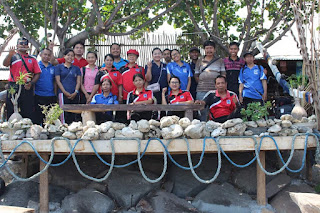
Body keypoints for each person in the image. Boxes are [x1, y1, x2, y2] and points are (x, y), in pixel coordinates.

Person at [3, 37, 41, 122]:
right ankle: (11, 129)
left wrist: (31, 83)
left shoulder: (32, 59)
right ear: (17, 45)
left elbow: (37, 73)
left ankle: (27, 130)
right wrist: (9, 55)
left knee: (28, 110)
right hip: (14, 85)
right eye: (21, 43)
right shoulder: (13, 56)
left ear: (27, 46)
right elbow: (5, 64)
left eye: (25, 43)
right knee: (11, 108)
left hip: (27, 86)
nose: (23, 45)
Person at [195, 40, 226, 121]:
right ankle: (202, 129)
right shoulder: (199, 61)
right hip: (202, 89)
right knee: (202, 110)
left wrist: (219, 86)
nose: (209, 50)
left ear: (214, 49)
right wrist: (203, 82)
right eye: (207, 48)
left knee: (216, 109)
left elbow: (223, 74)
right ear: (204, 50)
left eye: (211, 48)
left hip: (216, 90)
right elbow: (196, 75)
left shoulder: (220, 61)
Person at [55, 49, 81, 124]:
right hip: (62, 94)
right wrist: (64, 92)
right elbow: (58, 81)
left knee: (74, 114)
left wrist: (75, 92)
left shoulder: (76, 68)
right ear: (64, 56)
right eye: (68, 55)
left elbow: (78, 81)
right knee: (63, 114)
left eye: (72, 55)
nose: (70, 57)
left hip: (75, 94)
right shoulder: (59, 67)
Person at [34, 48, 57, 125]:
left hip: (51, 95)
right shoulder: (36, 66)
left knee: (50, 119)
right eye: (45, 54)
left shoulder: (53, 67)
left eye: (48, 55)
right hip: (38, 95)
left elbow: (55, 81)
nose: (46, 56)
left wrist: (55, 94)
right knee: (38, 118)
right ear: (41, 55)